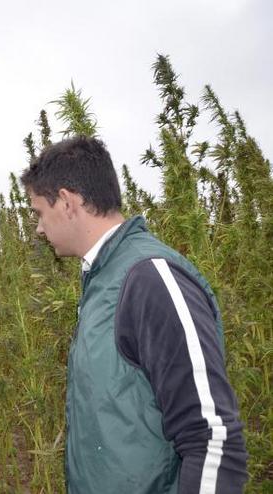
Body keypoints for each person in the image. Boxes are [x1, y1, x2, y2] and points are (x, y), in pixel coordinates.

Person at [20, 137, 248, 493]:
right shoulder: (104, 279)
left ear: (66, 202)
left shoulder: (150, 279)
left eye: (38, 213)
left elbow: (212, 438)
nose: (38, 228)